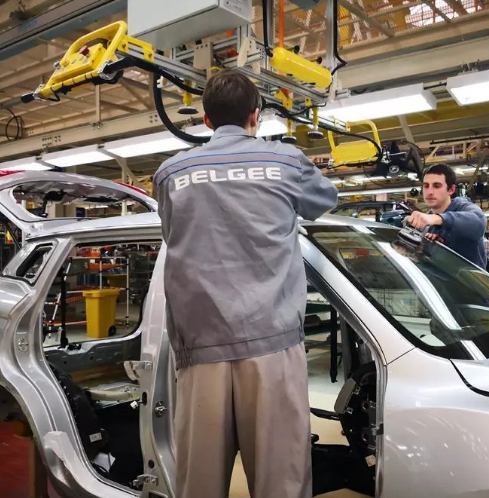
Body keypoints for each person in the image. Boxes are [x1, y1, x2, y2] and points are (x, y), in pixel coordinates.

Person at [153, 69, 338, 498]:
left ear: (205, 119)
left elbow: (172, 232)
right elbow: (325, 200)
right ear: (256, 116)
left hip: (201, 352)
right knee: (281, 483)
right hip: (273, 346)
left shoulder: (170, 173)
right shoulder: (286, 161)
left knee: (199, 483)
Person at [405, 163, 487, 269]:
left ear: (451, 189)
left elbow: (478, 223)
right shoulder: (426, 222)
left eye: (437, 186)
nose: (429, 192)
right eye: (426, 186)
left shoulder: (463, 207)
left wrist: (437, 219)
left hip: (467, 279)